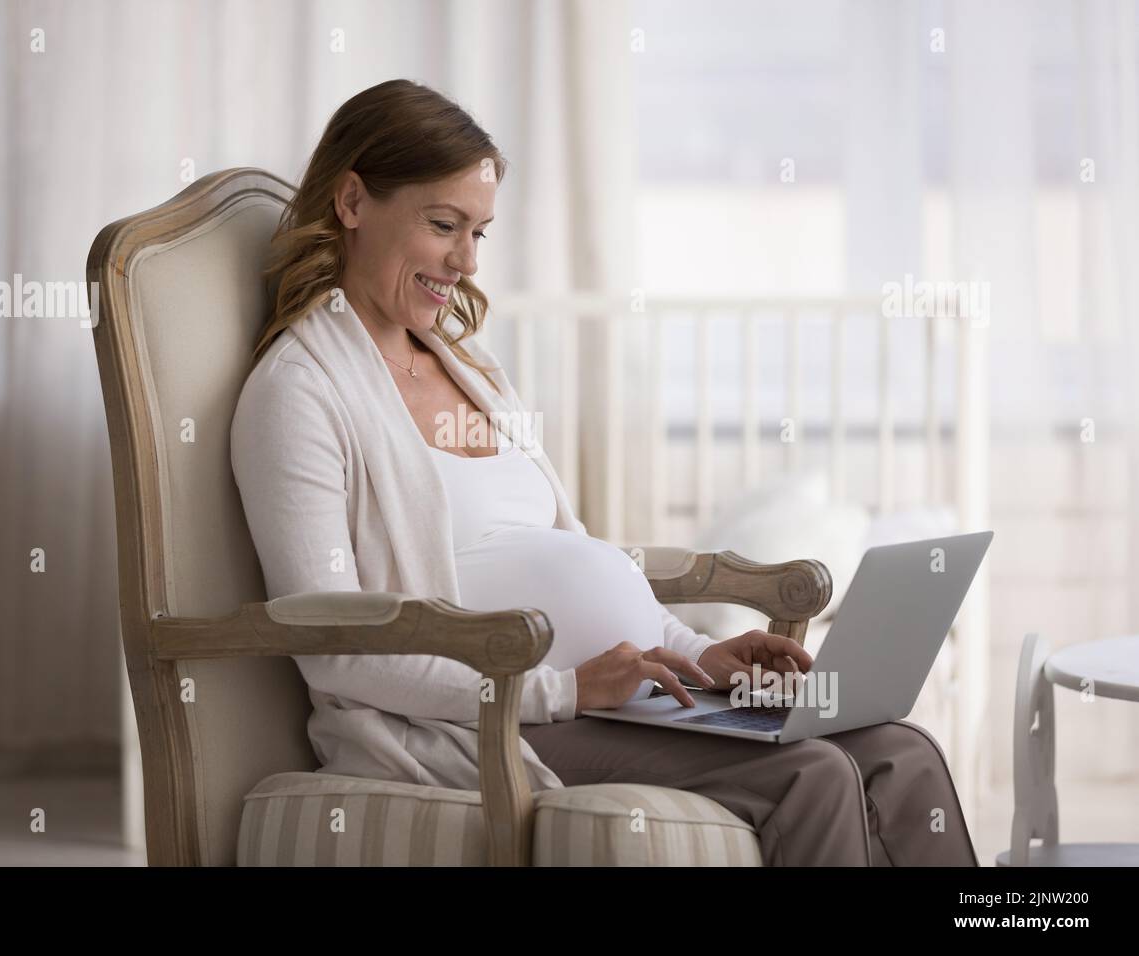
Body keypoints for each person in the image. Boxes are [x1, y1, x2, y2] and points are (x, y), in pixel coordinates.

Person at [230, 78, 978, 866]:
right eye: (443, 225)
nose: (464, 261)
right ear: (352, 201)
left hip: (620, 699)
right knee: (811, 774)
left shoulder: (465, 365)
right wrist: (567, 690)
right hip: (493, 725)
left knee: (902, 751)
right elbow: (335, 644)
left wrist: (697, 656)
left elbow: (572, 555)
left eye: (479, 232)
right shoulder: (300, 393)